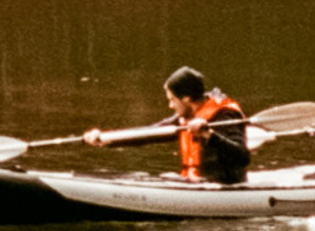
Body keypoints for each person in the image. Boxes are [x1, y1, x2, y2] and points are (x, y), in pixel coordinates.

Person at [88, 66, 249, 184]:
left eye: (172, 100)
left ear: (186, 99)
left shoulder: (225, 115)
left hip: (226, 188)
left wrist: (209, 135)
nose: (170, 106)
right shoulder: (188, 115)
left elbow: (242, 157)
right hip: (197, 184)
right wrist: (106, 139)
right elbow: (153, 133)